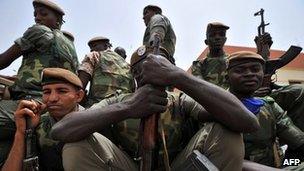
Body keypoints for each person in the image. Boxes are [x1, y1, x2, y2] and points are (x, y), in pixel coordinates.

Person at [51, 45, 260, 171]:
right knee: (76, 145)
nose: (149, 75)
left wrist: (180, 77)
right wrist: (129, 107)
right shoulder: (119, 100)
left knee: (227, 132)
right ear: (134, 75)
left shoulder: (179, 100)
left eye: (160, 69)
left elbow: (247, 122)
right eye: (141, 70)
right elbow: (61, 131)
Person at [0, 0, 79, 165]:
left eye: (43, 14)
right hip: (47, 102)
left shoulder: (39, 31)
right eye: (35, 14)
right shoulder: (69, 45)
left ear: (57, 21)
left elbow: (3, 60)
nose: (37, 18)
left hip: (31, 103)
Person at [225, 51, 304, 168]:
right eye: (240, 70)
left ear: (263, 74)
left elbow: (298, 142)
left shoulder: (268, 105)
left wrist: (291, 164)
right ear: (227, 77)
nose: (249, 74)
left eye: (255, 69)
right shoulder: (216, 106)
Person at [1, 68, 85, 170]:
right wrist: (22, 131)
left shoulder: (92, 123)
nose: (52, 98)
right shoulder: (38, 123)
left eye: (62, 91)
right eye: (47, 92)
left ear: (79, 96)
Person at [78, 36, 134, 107]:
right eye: (90, 48)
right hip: (125, 107)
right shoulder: (127, 64)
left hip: (98, 110)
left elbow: (79, 86)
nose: (91, 50)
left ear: (106, 45)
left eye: (94, 46)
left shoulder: (94, 56)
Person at [191, 22, 230, 89]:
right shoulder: (199, 65)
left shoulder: (232, 61)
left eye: (221, 34)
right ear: (206, 41)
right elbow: (199, 85)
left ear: (225, 39)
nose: (217, 37)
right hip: (206, 96)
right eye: (212, 35)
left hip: (230, 98)